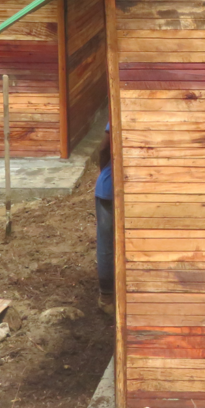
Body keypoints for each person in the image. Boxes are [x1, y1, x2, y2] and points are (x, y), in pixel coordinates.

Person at [95, 123, 115, 315]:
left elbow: (103, 148)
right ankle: (107, 296)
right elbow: (104, 147)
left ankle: (107, 296)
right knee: (108, 244)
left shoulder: (115, 114)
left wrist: (104, 171)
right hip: (110, 189)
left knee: (107, 244)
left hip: (109, 186)